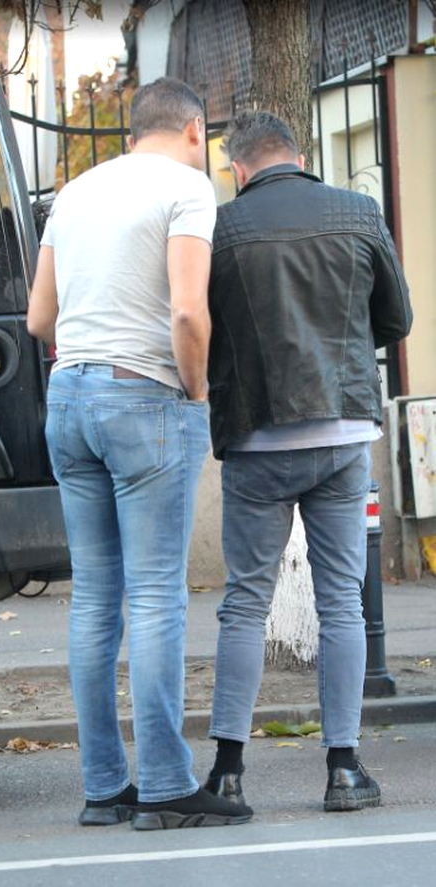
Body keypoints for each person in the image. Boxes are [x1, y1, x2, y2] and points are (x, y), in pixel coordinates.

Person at [27, 77, 252, 830]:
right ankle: (162, 784)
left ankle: (104, 787)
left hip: (69, 397)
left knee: (96, 599)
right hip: (145, 395)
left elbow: (39, 317)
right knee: (156, 595)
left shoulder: (74, 192)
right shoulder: (186, 189)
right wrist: (195, 390)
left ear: (131, 134)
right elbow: (188, 310)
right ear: (192, 130)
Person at [203, 111, 412, 812]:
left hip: (257, 434)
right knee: (342, 602)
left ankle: (228, 772)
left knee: (244, 603)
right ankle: (344, 769)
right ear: (299, 155)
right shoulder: (359, 212)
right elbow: (397, 320)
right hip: (343, 429)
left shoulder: (220, 228)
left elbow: (202, 329)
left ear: (238, 167)